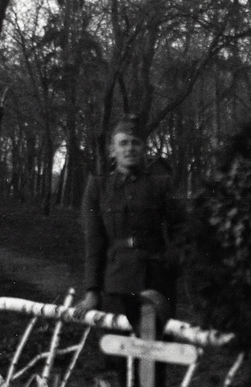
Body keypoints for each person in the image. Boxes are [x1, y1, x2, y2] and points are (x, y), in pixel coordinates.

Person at [78, 117, 182, 331]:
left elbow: (182, 230)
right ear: (112, 150)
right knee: (118, 353)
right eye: (123, 143)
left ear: (143, 148)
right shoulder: (98, 188)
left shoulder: (160, 184)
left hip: (157, 282)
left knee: (152, 356)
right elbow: (94, 241)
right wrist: (92, 291)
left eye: (136, 143)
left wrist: (172, 263)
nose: (130, 149)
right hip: (117, 283)